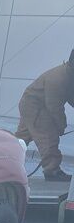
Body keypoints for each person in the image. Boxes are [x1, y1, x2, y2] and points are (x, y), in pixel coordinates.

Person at [15, 51, 74, 182]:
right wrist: (61, 126)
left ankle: (5, 160)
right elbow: (54, 107)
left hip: (31, 103)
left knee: (22, 139)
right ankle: (52, 170)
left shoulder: (69, 74)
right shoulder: (58, 78)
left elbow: (71, 95)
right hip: (36, 106)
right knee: (48, 137)